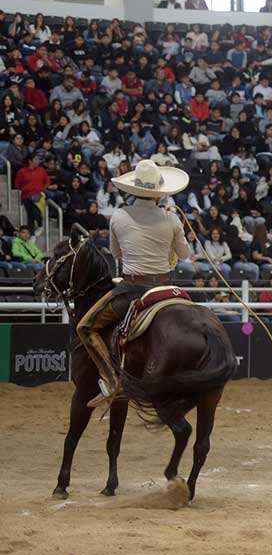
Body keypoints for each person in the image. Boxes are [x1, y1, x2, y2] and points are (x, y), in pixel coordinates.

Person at [77, 160, 191, 409]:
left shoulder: (118, 216)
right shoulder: (171, 219)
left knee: (85, 328)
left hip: (131, 288)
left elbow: (116, 254)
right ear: (159, 192)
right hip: (164, 288)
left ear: (133, 188)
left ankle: (111, 379)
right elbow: (184, 253)